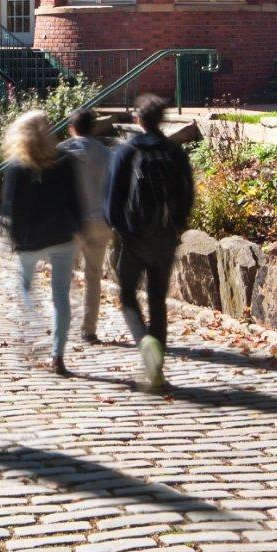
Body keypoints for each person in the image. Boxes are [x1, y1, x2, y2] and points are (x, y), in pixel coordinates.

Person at [104, 95, 195, 393]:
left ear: (138, 119)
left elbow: (113, 198)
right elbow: (188, 195)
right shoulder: (175, 152)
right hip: (164, 237)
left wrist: (118, 229)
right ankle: (157, 370)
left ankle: (144, 341)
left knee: (128, 296)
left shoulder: (127, 151)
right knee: (157, 301)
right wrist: (177, 227)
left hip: (132, 236)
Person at [1, 110, 83, 375]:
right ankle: (57, 354)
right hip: (61, 235)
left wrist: (13, 239)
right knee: (61, 297)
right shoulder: (64, 159)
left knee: (24, 288)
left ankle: (34, 328)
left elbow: (12, 207)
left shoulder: (16, 165)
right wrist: (79, 230)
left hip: (30, 239)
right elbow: (75, 200)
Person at [59, 108, 114, 344]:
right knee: (93, 277)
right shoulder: (107, 154)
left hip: (70, 224)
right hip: (99, 221)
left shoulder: (60, 153)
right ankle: (88, 329)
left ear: (71, 127)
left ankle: (62, 324)